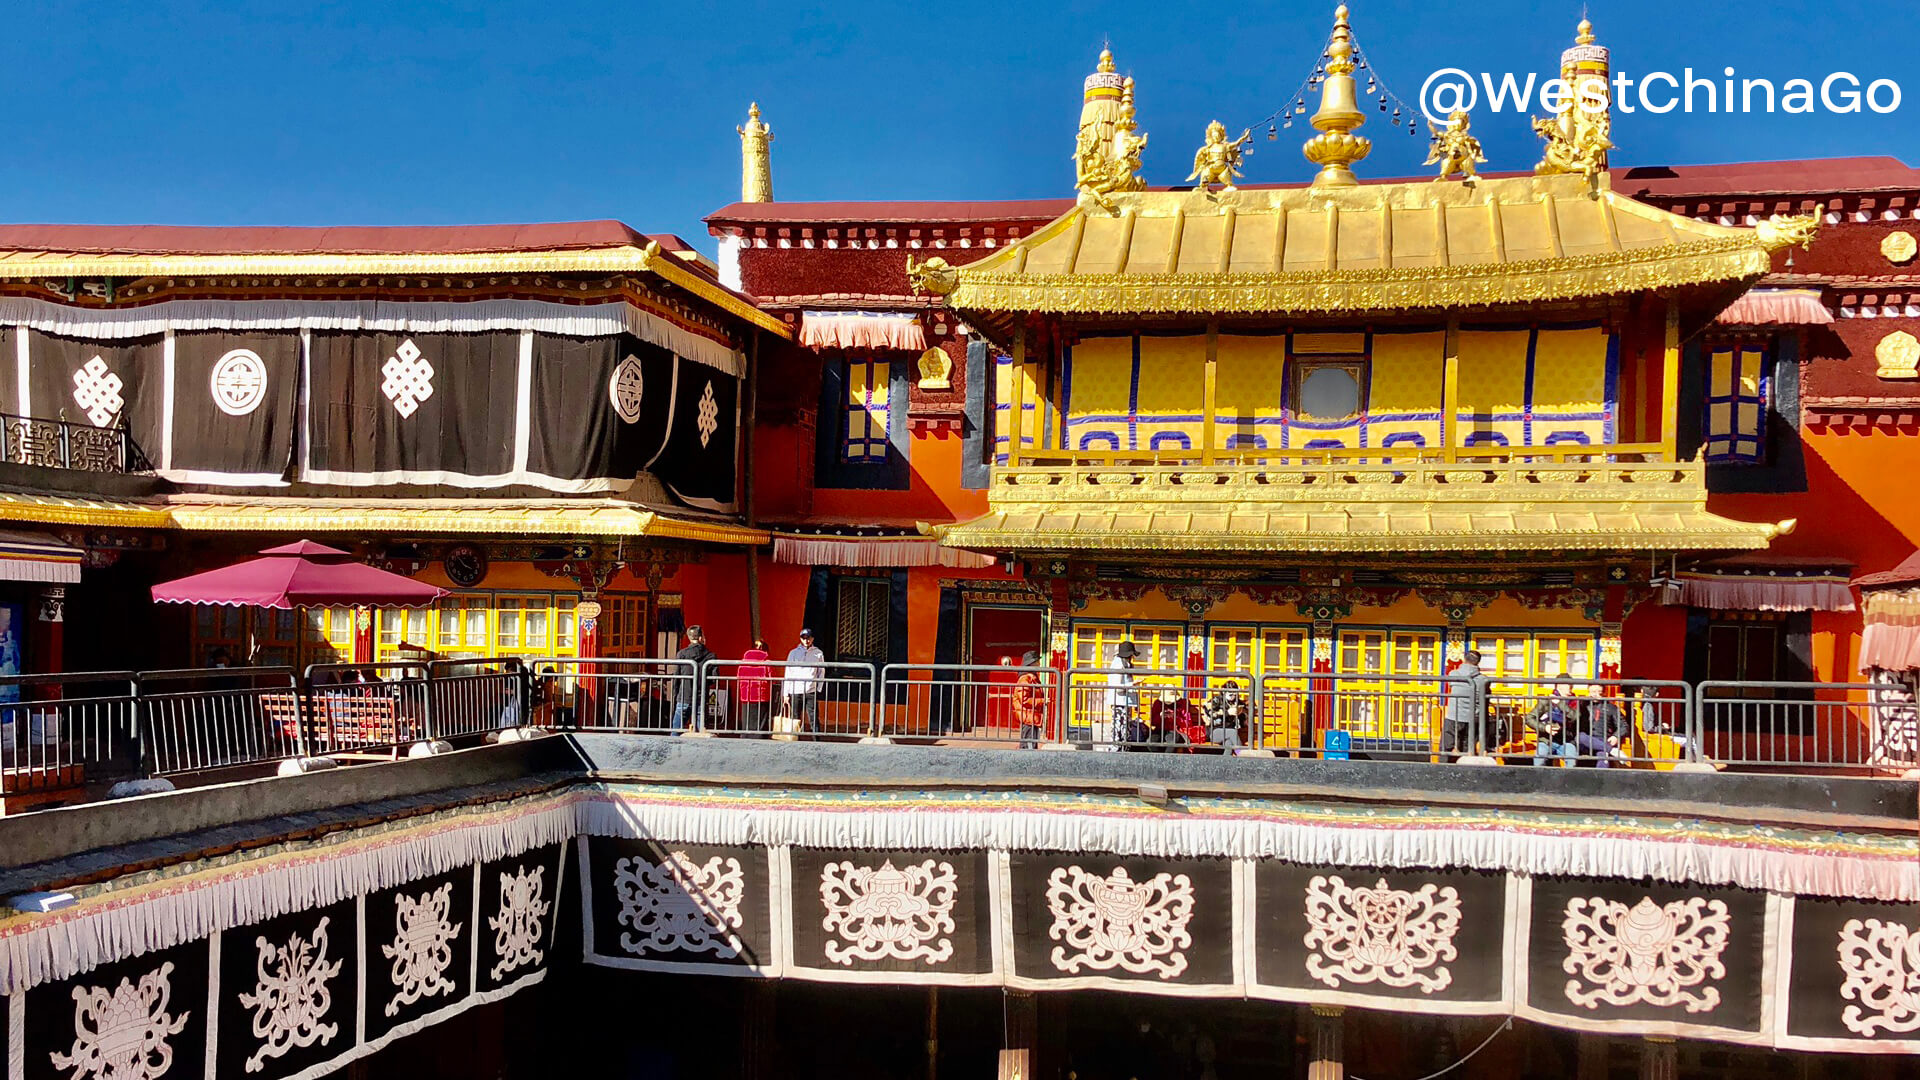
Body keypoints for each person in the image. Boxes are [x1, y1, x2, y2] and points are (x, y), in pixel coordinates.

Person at [1441, 650, 1489, 759]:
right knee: (1469, 748)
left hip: (1454, 717)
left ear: (1464, 659)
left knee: (1447, 748)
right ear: (1478, 662)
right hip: (1474, 718)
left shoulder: (1453, 674)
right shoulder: (1483, 680)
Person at [1525, 676, 1579, 766]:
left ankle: (1569, 780)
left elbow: (1575, 717)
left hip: (1567, 740)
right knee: (1539, 760)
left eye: (1571, 684)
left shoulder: (1575, 701)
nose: (1571, 687)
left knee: (1572, 761)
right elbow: (1529, 718)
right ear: (1559, 686)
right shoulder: (1546, 701)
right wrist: (1545, 728)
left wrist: (1559, 703)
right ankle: (1539, 780)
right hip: (1546, 740)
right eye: (1568, 684)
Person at [671, 625, 715, 733]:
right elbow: (714, 679)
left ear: (690, 638)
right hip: (701, 698)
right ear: (701, 638)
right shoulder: (710, 656)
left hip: (684, 696)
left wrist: (675, 694)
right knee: (701, 732)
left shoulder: (682, 654)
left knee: (676, 731)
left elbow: (676, 676)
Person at [782, 629, 825, 737]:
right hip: (795, 690)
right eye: (804, 638)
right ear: (801, 639)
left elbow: (821, 671)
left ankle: (816, 740)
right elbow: (788, 672)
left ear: (812, 639)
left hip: (810, 690)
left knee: (813, 717)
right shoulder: (793, 653)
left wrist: (818, 687)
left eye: (808, 638)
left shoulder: (818, 653)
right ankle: (794, 739)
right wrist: (785, 693)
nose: (806, 641)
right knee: (795, 717)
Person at [1573, 685, 1629, 767]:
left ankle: (1601, 778)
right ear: (1589, 692)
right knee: (1580, 737)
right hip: (1586, 739)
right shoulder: (1582, 705)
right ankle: (1612, 751)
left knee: (1603, 756)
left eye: (1599, 692)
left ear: (1604, 693)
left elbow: (1624, 726)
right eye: (1593, 692)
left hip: (1602, 739)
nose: (1596, 694)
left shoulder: (1611, 707)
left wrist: (1616, 736)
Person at [1011, 650, 1051, 749]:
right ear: (1031, 664)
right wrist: (1042, 701)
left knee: (1031, 742)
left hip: (1031, 715)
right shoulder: (1025, 679)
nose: (1039, 664)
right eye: (1037, 662)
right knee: (1028, 743)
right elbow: (1024, 699)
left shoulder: (1032, 677)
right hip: (1028, 715)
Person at [1106, 641, 1142, 750]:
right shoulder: (1118, 664)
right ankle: (1116, 751)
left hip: (1125, 701)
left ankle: (1123, 749)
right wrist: (1133, 684)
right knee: (1119, 729)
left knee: (1125, 729)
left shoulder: (1124, 663)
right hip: (1119, 702)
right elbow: (1117, 687)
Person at [738, 639, 773, 738]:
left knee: (747, 718)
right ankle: (759, 737)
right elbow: (770, 677)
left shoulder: (743, 661)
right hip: (761, 695)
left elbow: (739, 675)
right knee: (760, 719)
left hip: (746, 695)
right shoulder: (767, 661)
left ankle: (745, 736)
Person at [1205, 681, 1249, 750]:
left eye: (1235, 694)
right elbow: (1210, 713)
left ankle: (1232, 757)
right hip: (1215, 731)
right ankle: (1243, 755)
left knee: (1229, 744)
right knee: (1232, 733)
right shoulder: (1216, 700)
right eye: (1230, 695)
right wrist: (1227, 713)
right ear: (1223, 692)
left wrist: (1241, 714)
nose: (1233, 697)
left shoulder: (1238, 702)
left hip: (1230, 732)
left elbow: (1244, 723)